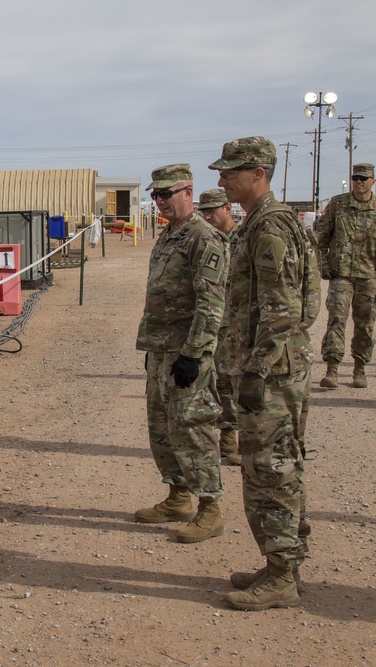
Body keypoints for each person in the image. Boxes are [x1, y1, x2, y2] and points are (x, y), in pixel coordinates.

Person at [209, 136, 320, 611]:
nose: (221, 179)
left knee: (269, 471)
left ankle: (282, 576)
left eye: (230, 172)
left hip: (271, 374)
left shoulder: (270, 227)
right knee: (278, 468)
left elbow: (285, 308)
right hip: (275, 368)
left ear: (259, 173)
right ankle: (282, 564)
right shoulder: (262, 223)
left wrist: (256, 371)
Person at [134, 164, 228, 544]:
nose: (160, 201)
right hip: (160, 351)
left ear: (188, 192)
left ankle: (210, 508)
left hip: (186, 354)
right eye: (155, 195)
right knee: (162, 430)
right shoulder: (169, 235)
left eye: (166, 194)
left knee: (193, 430)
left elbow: (211, 303)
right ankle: (178, 497)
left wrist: (193, 354)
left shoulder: (202, 238)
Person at [315, 163, 376, 389]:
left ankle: (360, 370)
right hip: (341, 273)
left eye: (364, 178)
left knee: (366, 324)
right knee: (336, 319)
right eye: (356, 178)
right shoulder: (338, 204)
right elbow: (321, 237)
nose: (359, 182)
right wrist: (323, 265)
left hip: (369, 275)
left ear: (372, 181)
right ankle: (332, 370)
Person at [197, 188, 241, 466]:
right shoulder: (205, 239)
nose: (208, 216)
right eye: (204, 212)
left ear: (227, 208)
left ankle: (233, 438)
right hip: (211, 321)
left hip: (237, 323)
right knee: (213, 381)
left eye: (212, 211)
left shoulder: (244, 238)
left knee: (233, 382)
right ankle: (219, 440)